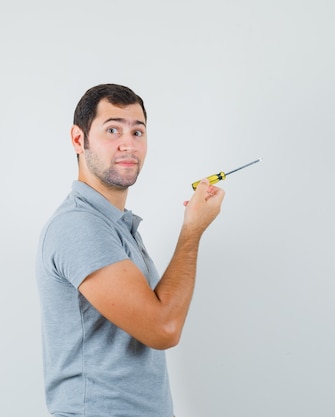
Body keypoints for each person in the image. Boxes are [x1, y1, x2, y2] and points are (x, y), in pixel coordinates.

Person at [35, 83, 225, 417]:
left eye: (138, 132)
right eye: (113, 129)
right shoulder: (80, 226)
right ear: (79, 139)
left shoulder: (114, 226)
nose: (128, 144)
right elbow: (163, 328)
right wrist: (192, 229)